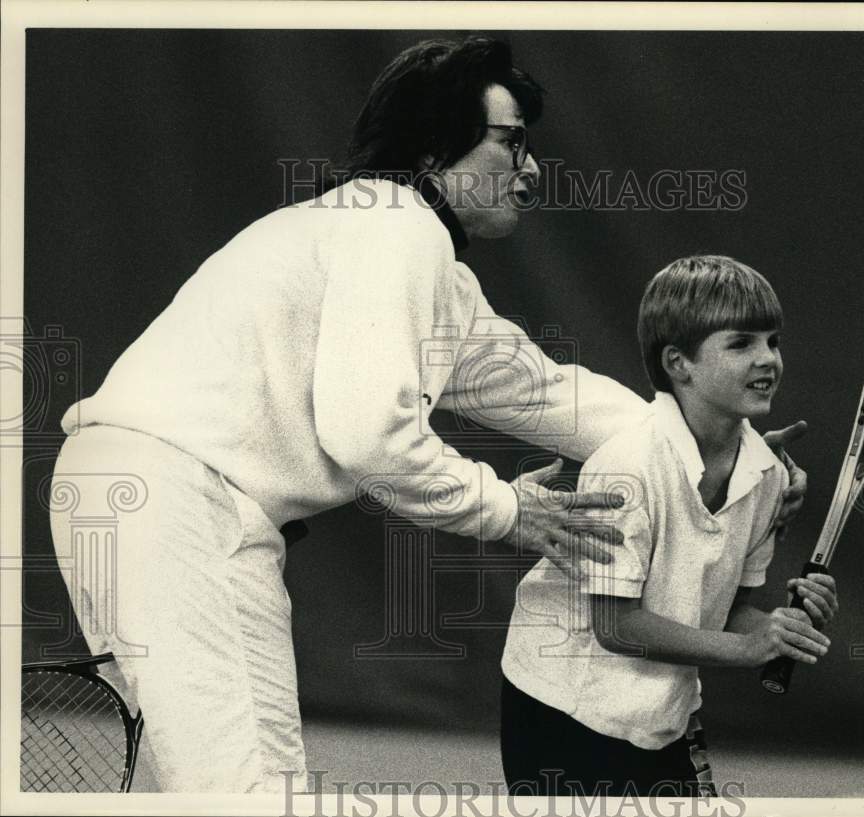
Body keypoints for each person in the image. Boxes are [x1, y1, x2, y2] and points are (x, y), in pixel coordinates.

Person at [48, 37, 807, 793]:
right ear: (433, 151)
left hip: (148, 499)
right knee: (249, 795)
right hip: (177, 503)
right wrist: (508, 509)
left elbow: (549, 394)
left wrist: (723, 454)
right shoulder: (395, 226)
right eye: (510, 143)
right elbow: (367, 433)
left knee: (243, 791)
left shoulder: (405, 254)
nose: (531, 169)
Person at [500, 255, 838, 797]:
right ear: (680, 364)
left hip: (664, 714)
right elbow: (617, 628)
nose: (767, 359)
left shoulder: (769, 474)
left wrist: (780, 628)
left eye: (772, 341)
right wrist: (746, 651)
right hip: (562, 706)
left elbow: (730, 613)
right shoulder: (628, 464)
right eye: (741, 343)